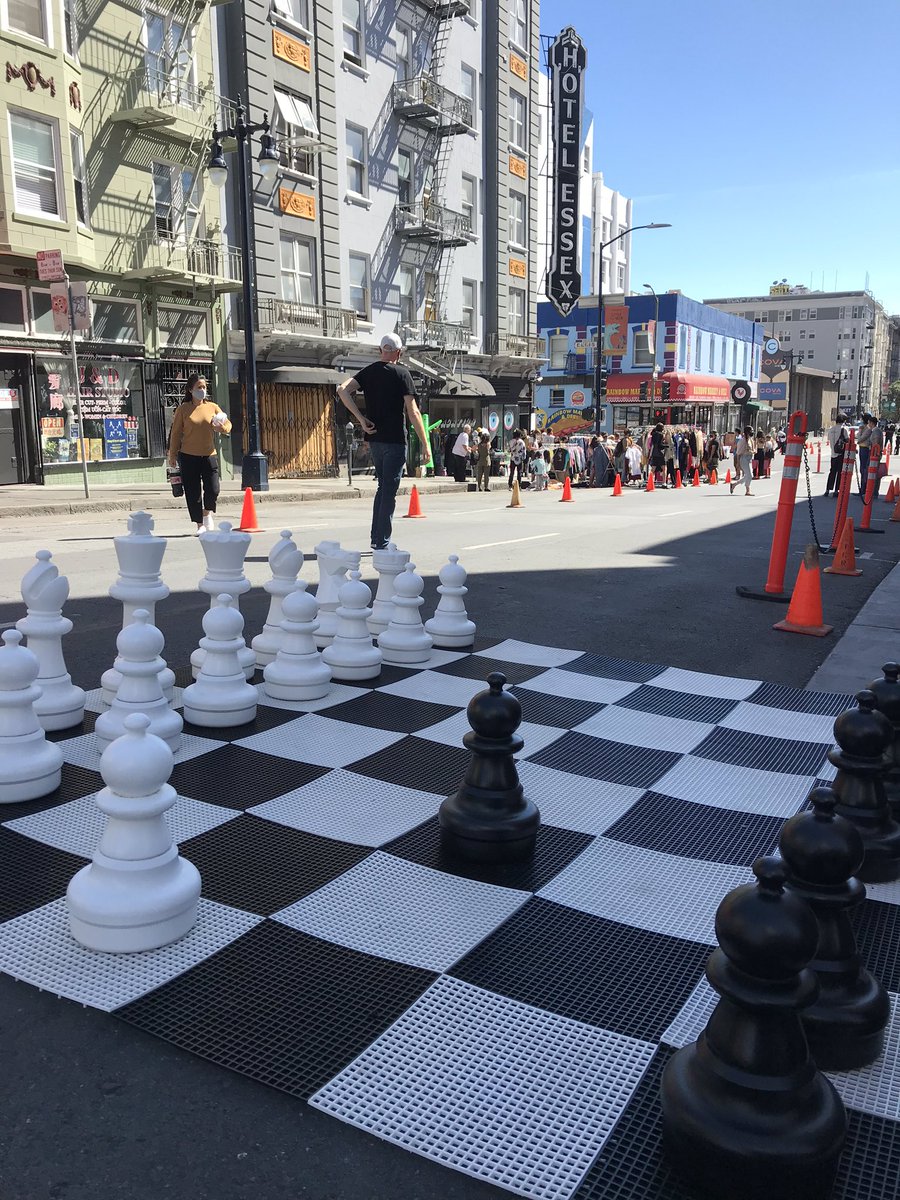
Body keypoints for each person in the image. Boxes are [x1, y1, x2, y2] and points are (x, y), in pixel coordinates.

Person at [336, 332, 432, 550]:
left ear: (381, 350)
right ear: (398, 352)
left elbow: (342, 390)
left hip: (375, 438)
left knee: (383, 487)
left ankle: (376, 537)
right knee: (388, 490)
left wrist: (361, 419)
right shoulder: (402, 373)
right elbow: (413, 411)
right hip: (395, 440)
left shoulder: (369, 372)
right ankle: (382, 540)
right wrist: (425, 444)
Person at [167, 374, 232, 534]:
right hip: (188, 456)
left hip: (209, 454)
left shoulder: (212, 407)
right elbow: (175, 434)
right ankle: (199, 524)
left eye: (204, 387)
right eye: (199, 387)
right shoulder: (183, 409)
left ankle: (207, 512)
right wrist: (173, 455)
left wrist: (221, 428)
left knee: (213, 488)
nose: (202, 390)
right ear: (190, 390)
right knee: (193, 491)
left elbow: (228, 424)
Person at [824, 413, 849, 497]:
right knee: (839, 472)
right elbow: (847, 440)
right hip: (840, 453)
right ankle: (836, 490)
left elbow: (830, 440)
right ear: (843, 421)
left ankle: (827, 489)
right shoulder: (844, 429)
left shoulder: (831, 429)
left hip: (833, 453)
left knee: (832, 472)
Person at [730, 425, 755, 495]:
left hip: (749, 458)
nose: (752, 433)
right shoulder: (742, 441)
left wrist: (753, 451)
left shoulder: (751, 440)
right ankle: (747, 490)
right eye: (750, 431)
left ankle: (734, 485)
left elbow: (753, 449)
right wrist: (738, 463)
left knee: (748, 475)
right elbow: (738, 453)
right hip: (743, 459)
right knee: (749, 475)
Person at [857, 413, 874, 496]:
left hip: (865, 448)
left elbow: (860, 438)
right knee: (862, 468)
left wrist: (860, 431)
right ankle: (862, 488)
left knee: (863, 468)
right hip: (862, 448)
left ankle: (864, 488)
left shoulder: (867, 428)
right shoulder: (865, 427)